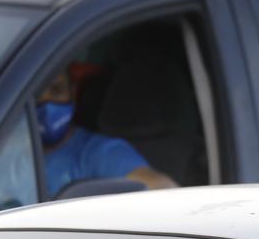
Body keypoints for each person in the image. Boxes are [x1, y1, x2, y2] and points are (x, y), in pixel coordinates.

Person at [36, 68, 176, 197]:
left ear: (72, 93)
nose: (47, 103)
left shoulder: (100, 153)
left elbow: (162, 190)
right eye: (37, 95)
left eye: (57, 90)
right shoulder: (14, 147)